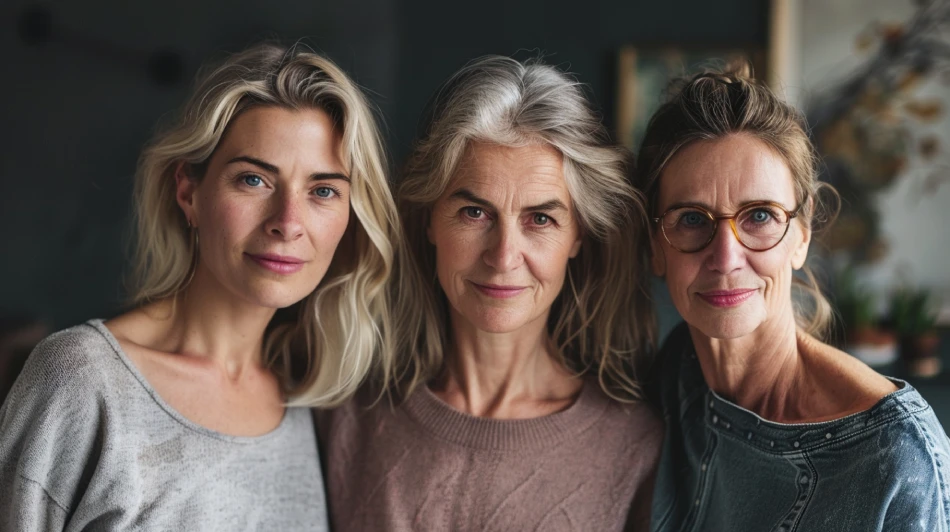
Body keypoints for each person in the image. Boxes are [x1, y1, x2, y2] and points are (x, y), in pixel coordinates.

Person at [0, 43, 399, 530]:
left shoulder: (310, 399)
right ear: (189, 192)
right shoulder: (82, 380)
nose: (289, 223)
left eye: (322, 191)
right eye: (254, 180)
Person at [316, 55, 662, 531]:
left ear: (578, 235)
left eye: (540, 219)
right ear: (431, 219)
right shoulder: (344, 414)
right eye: (474, 213)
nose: (503, 256)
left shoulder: (637, 447)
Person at [637, 64, 950, 531]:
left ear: (801, 236)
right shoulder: (676, 374)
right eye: (692, 219)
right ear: (655, 246)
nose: (725, 257)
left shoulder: (895, 458)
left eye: (759, 215)